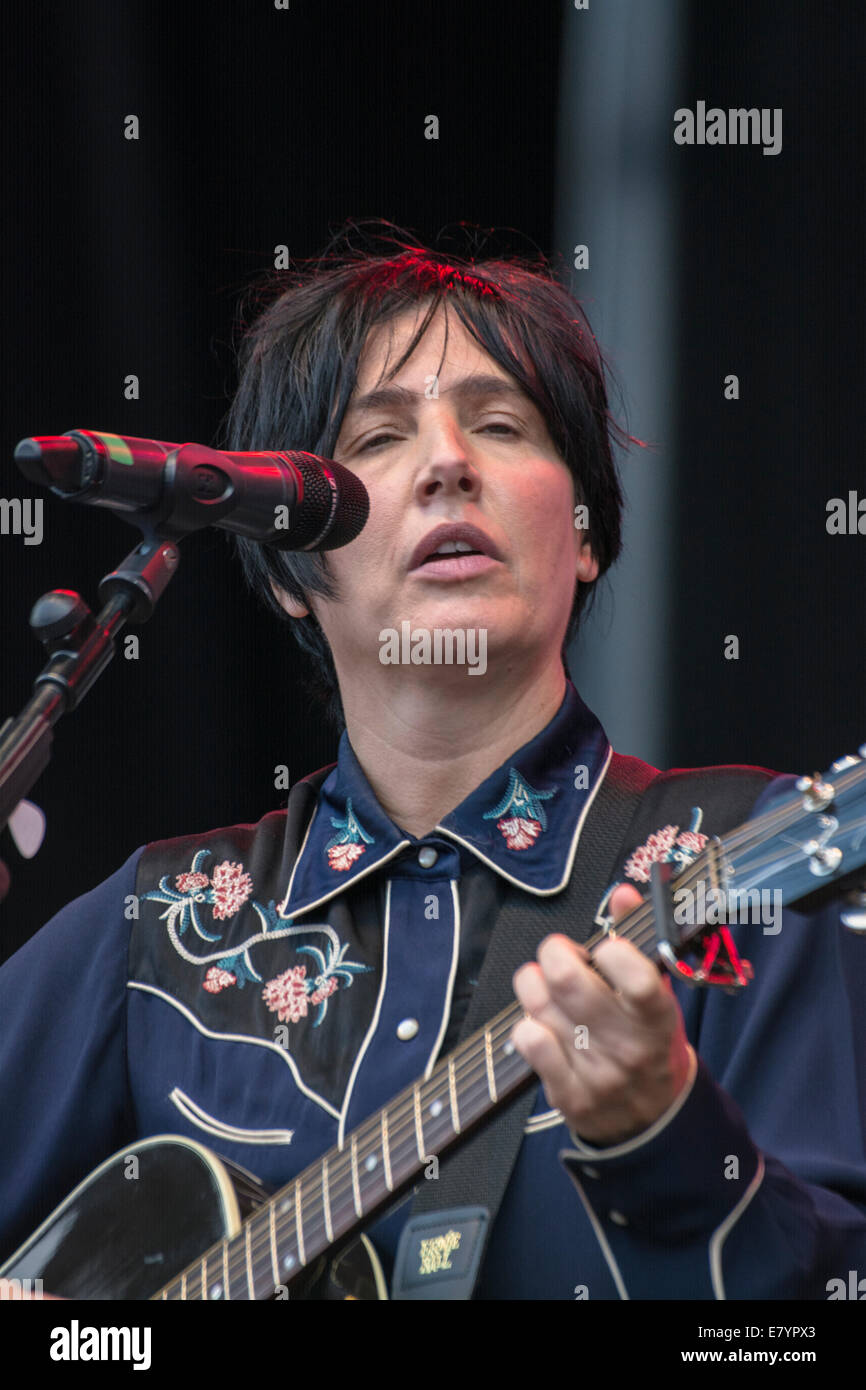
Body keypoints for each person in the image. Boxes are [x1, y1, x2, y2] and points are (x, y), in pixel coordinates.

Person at [1, 225, 865, 1301]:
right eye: (373, 441)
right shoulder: (161, 926)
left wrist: (664, 1138)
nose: (446, 461)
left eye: (499, 423)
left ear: (586, 532)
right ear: (285, 570)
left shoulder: (739, 860)